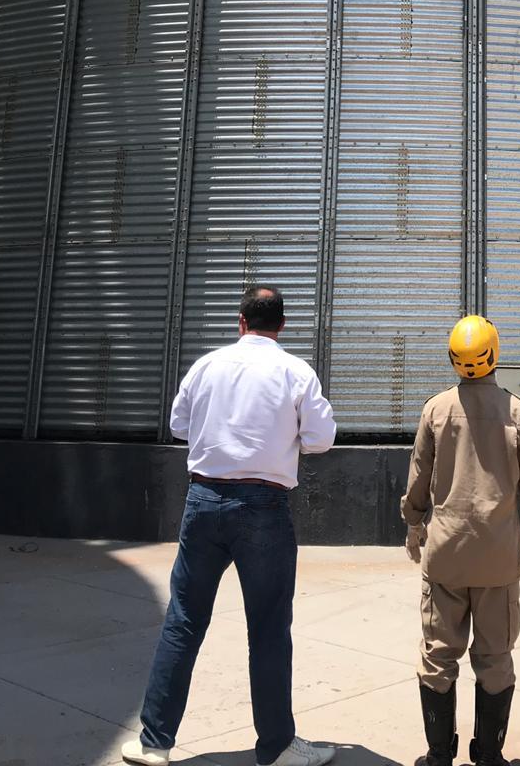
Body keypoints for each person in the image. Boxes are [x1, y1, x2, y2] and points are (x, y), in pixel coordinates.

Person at [122, 286, 337, 766]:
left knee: (182, 621)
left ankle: (154, 742)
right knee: (268, 629)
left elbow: (180, 424)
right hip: (264, 505)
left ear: (241, 322)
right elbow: (321, 438)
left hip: (203, 500)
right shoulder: (295, 370)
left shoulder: (207, 366)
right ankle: (277, 746)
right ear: (281, 325)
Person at [402, 316, 520, 766]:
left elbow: (419, 479)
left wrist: (413, 524)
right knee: (495, 657)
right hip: (498, 559)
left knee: (438, 658)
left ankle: (438, 755)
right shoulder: (518, 413)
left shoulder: (435, 410)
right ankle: (489, 756)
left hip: (445, 556)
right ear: (495, 354)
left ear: (453, 357)